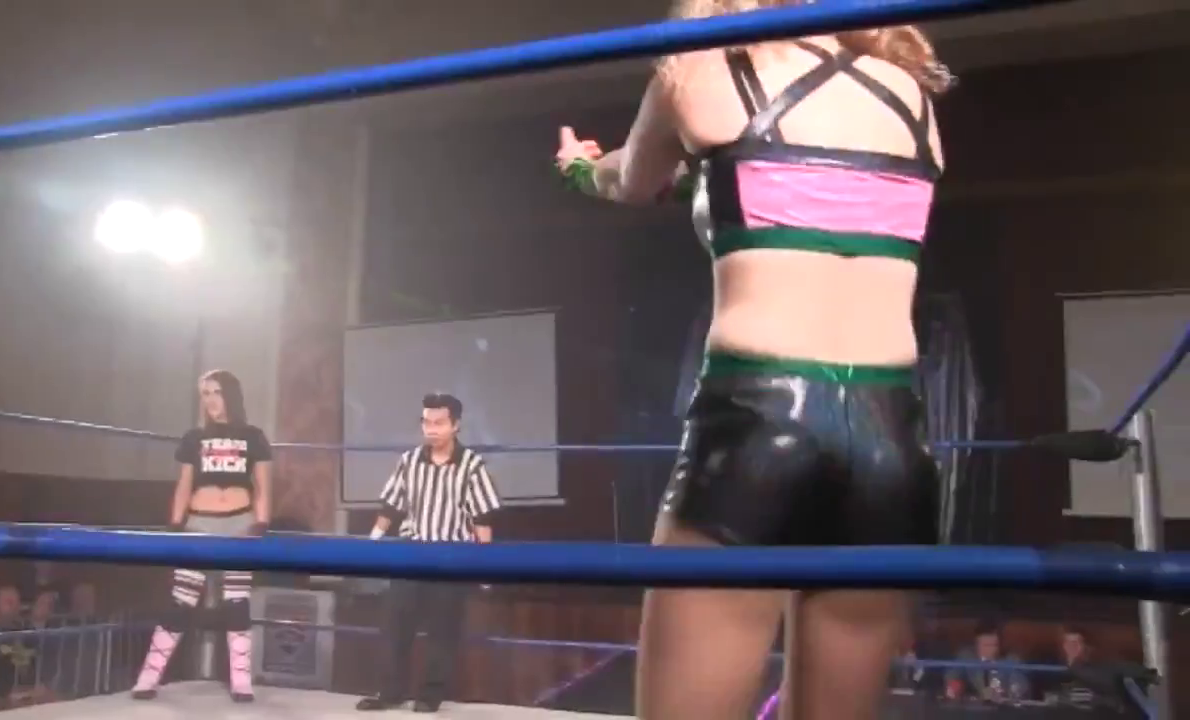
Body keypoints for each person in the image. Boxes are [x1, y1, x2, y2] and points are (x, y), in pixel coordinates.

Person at [555, 2, 952, 718]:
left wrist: (579, 168)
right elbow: (805, 189)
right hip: (891, 435)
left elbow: (631, 182)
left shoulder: (702, 70)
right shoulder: (910, 91)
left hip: (759, 416)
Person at [131, 369, 272, 703]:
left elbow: (263, 486)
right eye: (205, 393)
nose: (210, 400)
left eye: (216, 392)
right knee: (182, 599)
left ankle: (241, 681)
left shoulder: (253, 436)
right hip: (199, 522)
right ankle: (148, 678)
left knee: (236, 600)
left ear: (230, 395)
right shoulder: (193, 437)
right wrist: (175, 525)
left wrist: (261, 523)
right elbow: (184, 485)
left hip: (239, 522)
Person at [356, 393, 502, 714]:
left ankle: (429, 695)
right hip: (410, 553)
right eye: (426, 422)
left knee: (442, 632)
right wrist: (371, 544)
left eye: (439, 423)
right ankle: (390, 692)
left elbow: (482, 519)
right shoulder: (409, 461)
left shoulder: (472, 465)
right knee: (395, 627)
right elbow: (390, 507)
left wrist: (486, 567)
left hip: (451, 557)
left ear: (455, 425)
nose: (431, 429)